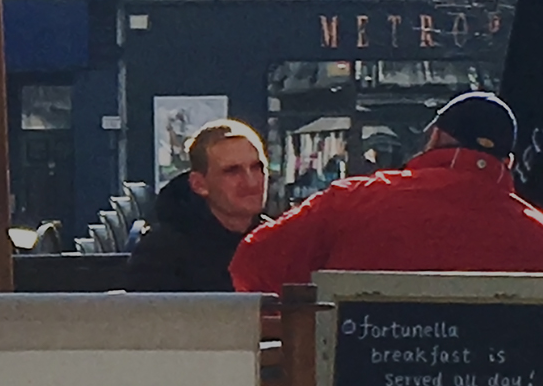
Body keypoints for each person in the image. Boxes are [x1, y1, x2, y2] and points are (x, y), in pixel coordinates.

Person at [232, 91, 543, 293]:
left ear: (435, 137)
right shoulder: (536, 233)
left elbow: (254, 264)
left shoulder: (352, 201)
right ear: (508, 162)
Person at [126, 120, 272, 291]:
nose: (251, 181)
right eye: (232, 171)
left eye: (257, 167)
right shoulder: (161, 254)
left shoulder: (280, 242)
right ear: (199, 184)